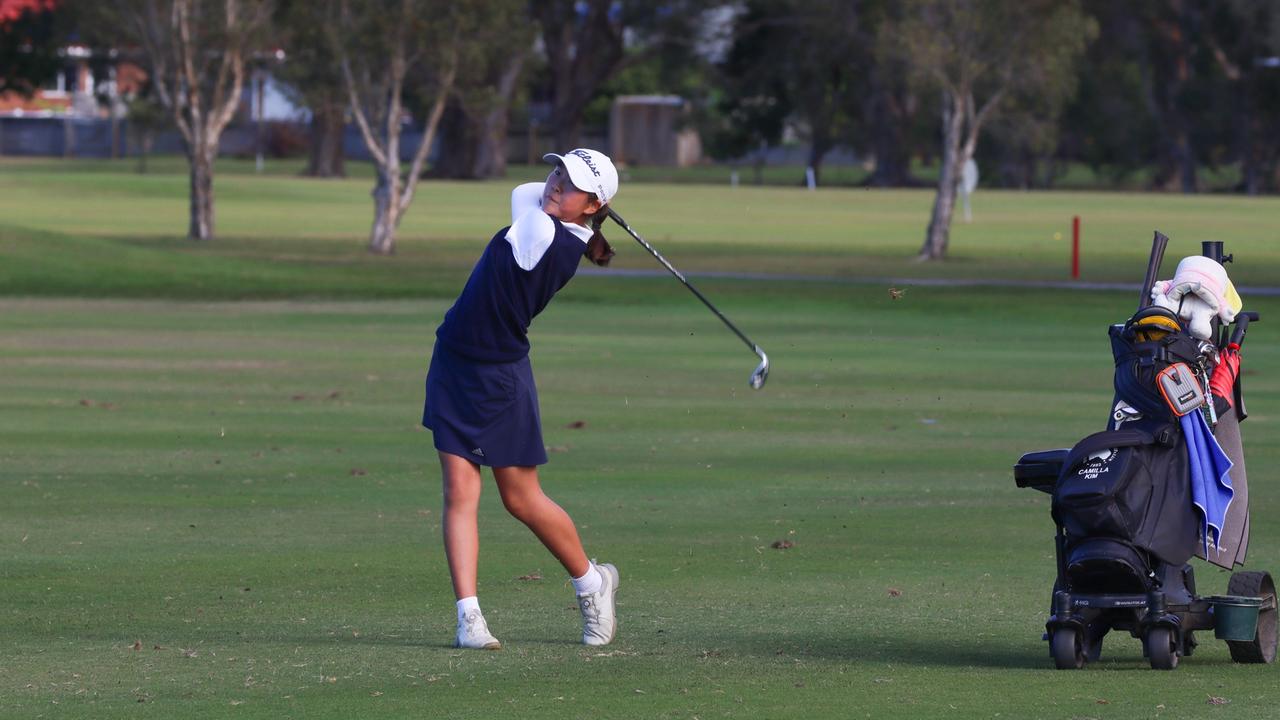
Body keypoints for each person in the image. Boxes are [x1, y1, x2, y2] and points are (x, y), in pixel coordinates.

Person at [422, 149, 621, 650]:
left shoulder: (543, 234)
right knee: (458, 491)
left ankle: (592, 583)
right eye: (557, 172)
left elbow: (522, 192)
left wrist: (589, 213)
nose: (555, 184)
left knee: (521, 499)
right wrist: (588, 210)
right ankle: (470, 619)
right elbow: (536, 194)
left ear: (593, 203)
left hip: (499, 378)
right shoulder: (564, 227)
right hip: (454, 359)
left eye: (570, 183)